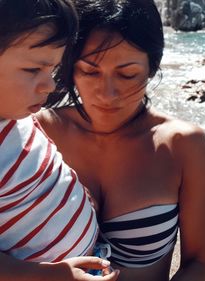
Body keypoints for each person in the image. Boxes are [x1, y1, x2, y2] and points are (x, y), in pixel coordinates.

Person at [36, 0, 205, 280]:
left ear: (152, 67)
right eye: (90, 71)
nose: (107, 94)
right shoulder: (35, 133)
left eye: (127, 74)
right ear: (70, 66)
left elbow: (199, 262)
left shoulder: (182, 145)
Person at [0, 0, 119, 280]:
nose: (50, 85)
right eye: (33, 70)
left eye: (52, 70)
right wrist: (51, 275)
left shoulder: (18, 116)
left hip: (91, 256)